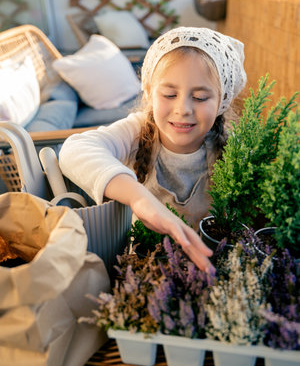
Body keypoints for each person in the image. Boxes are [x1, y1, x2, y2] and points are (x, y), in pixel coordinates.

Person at [59, 26, 247, 273]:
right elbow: (75, 149)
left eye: (200, 98)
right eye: (170, 94)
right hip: (143, 271)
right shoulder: (136, 132)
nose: (183, 109)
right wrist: (138, 197)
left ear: (222, 101)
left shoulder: (231, 147)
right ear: (149, 92)